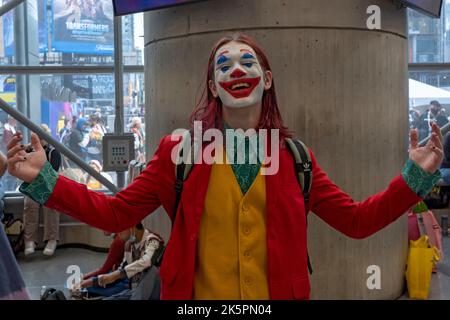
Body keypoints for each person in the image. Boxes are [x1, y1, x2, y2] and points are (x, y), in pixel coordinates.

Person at [6, 34, 444, 300]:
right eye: (225, 66)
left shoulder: (296, 158)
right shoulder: (179, 151)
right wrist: (44, 180)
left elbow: (356, 220)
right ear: (214, 87)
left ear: (266, 80)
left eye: (247, 62)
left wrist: (415, 179)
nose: (237, 70)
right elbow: (115, 214)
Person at [75, 223, 163, 300]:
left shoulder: (153, 241)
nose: (118, 234)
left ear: (131, 226)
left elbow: (146, 261)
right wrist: (94, 281)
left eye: (120, 230)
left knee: (152, 270)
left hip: (151, 291)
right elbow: (122, 269)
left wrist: (115, 275)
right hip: (133, 290)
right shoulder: (129, 245)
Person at [23, 124, 62, 256]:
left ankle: (52, 239)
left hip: (48, 186)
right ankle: (30, 240)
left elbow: (52, 173)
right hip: (33, 186)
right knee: (29, 204)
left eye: (41, 137)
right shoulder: (28, 152)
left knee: (50, 205)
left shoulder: (53, 152)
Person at [71, 232, 126, 298]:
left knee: (88, 286)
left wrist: (85, 279)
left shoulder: (118, 241)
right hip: (120, 275)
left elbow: (105, 270)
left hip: (123, 281)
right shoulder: (121, 240)